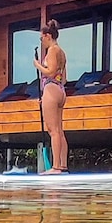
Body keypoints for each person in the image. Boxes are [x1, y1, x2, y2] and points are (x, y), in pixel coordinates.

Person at [34, 19, 68, 173]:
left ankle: (55, 167)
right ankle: (63, 165)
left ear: (48, 36)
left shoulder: (53, 50)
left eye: (41, 38)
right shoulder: (62, 52)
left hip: (51, 89)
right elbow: (64, 78)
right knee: (59, 130)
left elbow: (51, 72)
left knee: (52, 130)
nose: (42, 42)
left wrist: (38, 65)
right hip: (61, 90)